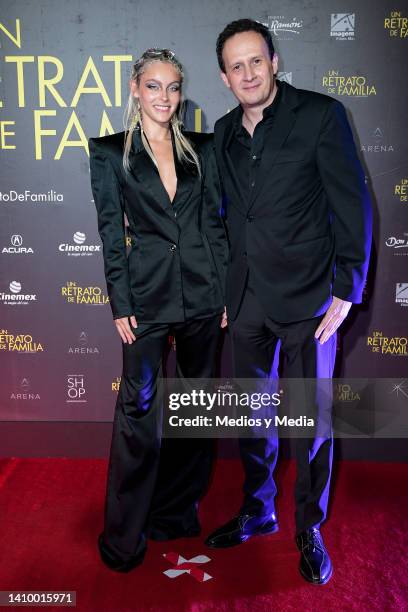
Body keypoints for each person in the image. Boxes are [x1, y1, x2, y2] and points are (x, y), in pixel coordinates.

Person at [205, 19, 372, 585]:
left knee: (312, 421)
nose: (248, 73)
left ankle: (309, 525)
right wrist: (227, 289)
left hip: (310, 301)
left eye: (257, 60)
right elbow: (225, 219)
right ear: (224, 77)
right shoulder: (224, 133)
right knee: (251, 416)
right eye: (236, 66)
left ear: (274, 61)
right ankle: (260, 508)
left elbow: (354, 204)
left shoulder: (321, 116)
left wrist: (347, 289)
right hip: (248, 299)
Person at [88, 48, 228, 572]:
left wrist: (224, 293)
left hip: (203, 295)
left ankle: (174, 513)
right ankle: (123, 538)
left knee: (197, 409)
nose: (164, 98)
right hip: (145, 298)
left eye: (173, 88)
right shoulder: (109, 153)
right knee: (138, 415)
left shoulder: (202, 150)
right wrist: (119, 301)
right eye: (154, 86)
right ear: (134, 89)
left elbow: (214, 226)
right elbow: (110, 234)